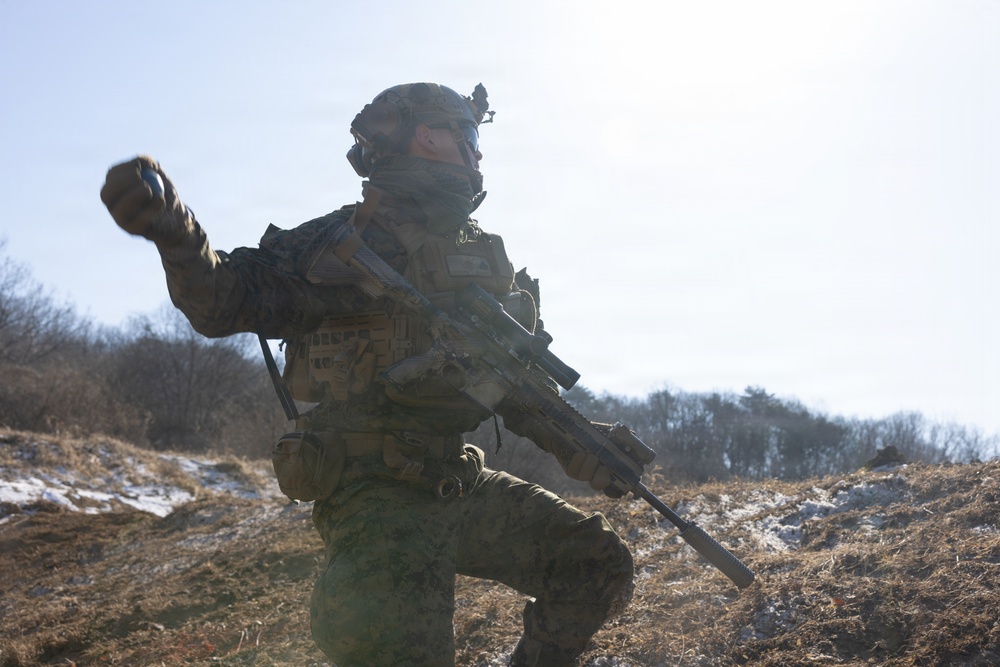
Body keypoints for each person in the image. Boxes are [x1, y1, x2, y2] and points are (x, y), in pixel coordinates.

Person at [101, 82, 634, 667]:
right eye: (469, 136)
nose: (478, 153)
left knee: (593, 562)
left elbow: (506, 379)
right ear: (428, 136)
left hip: (454, 476)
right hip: (373, 494)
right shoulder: (340, 242)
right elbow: (224, 300)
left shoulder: (482, 253)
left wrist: (585, 445)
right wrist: (174, 229)